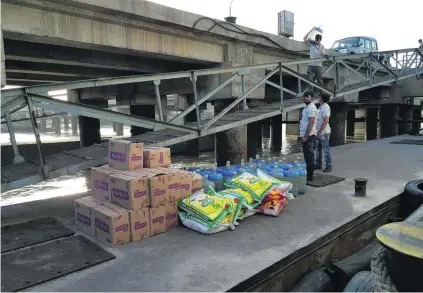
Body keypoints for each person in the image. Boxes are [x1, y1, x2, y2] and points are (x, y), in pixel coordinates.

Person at [299, 91, 318, 182]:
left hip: (309, 136)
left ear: (312, 98)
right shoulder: (306, 107)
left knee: (310, 156)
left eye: (307, 96)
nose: (305, 98)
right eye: (304, 96)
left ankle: (310, 177)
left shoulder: (312, 108)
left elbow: (311, 122)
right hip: (305, 135)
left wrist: (305, 136)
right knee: (307, 156)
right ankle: (308, 175)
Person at [315, 93, 332, 172]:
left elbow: (325, 121)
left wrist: (319, 132)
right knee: (318, 149)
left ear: (321, 98)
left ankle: (329, 166)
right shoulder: (321, 107)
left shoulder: (325, 108)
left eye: (319, 96)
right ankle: (318, 164)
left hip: (324, 132)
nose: (318, 97)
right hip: (319, 132)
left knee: (326, 149)